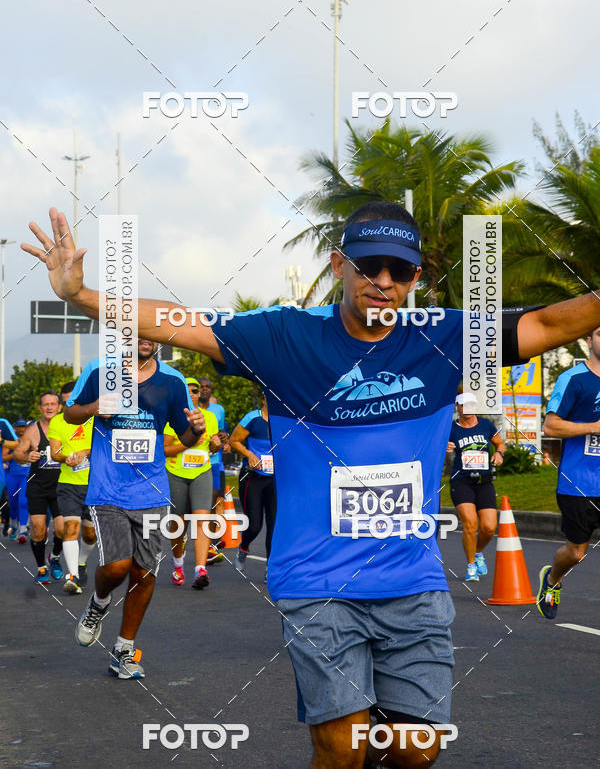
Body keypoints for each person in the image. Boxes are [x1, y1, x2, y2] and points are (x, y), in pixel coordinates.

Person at [24, 204, 600, 766]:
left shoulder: (445, 338)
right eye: (367, 266)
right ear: (336, 265)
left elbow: (549, 321)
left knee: (416, 751)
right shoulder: (285, 336)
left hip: (413, 582)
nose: (382, 282)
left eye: (399, 271)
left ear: (416, 277)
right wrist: (81, 296)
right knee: (343, 749)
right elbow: (181, 321)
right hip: (317, 581)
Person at [63, 339, 206, 679]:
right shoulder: (101, 370)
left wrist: (197, 432)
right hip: (108, 489)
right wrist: (96, 406)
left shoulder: (173, 380)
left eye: (151, 332)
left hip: (152, 491)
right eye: (138, 331)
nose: (145, 339)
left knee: (144, 573)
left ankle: (124, 649)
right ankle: (98, 602)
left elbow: (185, 438)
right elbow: (70, 413)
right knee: (116, 566)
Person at [538, 326, 600, 619]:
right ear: (589, 341)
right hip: (579, 483)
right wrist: (594, 427)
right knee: (576, 553)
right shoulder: (573, 380)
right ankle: (552, 579)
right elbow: (550, 426)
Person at [163, 376, 221, 589]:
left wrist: (215, 445)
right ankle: (178, 564)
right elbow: (164, 449)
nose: (192, 394)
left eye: (195, 390)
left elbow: (212, 448)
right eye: (187, 390)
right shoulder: (173, 419)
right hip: (175, 473)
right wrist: (187, 444)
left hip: (201, 472)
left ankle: (200, 569)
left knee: (201, 519)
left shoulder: (210, 417)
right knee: (177, 525)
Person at [446, 393, 506, 581]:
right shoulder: (450, 428)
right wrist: (444, 446)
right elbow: (435, 445)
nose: (469, 409)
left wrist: (499, 454)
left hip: (484, 481)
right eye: (465, 405)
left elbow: (500, 444)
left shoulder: (486, 425)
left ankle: (478, 552)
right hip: (461, 480)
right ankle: (471, 565)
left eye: (472, 404)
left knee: (489, 527)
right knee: (470, 524)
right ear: (457, 406)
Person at [48, 381, 96, 594]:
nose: (71, 406)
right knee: (71, 529)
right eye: (67, 403)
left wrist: (85, 452)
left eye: (74, 401)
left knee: (90, 534)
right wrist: (66, 458)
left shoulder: (95, 419)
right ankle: (73, 575)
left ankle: (82, 561)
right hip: (68, 484)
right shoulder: (58, 422)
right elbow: (54, 453)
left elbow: (105, 447)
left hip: (95, 484)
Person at [13, 393, 64, 583]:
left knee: (62, 530)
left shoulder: (67, 427)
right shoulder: (33, 431)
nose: (49, 407)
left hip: (61, 486)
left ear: (59, 407)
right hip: (38, 485)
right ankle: (42, 568)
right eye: (45, 405)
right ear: (40, 408)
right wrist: (26, 457)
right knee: (38, 530)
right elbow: (18, 452)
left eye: (53, 404)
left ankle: (55, 557)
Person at [231, 396, 276, 581]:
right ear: (264, 397)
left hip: (274, 478)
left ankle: (269, 569)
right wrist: (249, 454)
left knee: (274, 525)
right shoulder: (253, 418)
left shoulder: (282, 420)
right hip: (252, 477)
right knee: (255, 524)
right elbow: (234, 440)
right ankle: (244, 547)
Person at [198, 377, 229, 562]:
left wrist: (224, 437)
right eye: (200, 387)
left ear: (211, 390)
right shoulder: (192, 409)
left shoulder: (219, 410)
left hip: (215, 462)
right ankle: (192, 538)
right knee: (197, 505)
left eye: (207, 387)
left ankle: (209, 545)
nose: (204, 390)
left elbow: (223, 431)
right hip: (196, 462)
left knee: (212, 502)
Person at [2, 417, 22, 539]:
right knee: (9, 503)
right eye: (19, 427)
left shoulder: (3, 423)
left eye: (23, 427)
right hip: (9, 475)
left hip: (21, 476)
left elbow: (16, 444)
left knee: (19, 502)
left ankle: (19, 526)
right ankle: (10, 523)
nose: (21, 429)